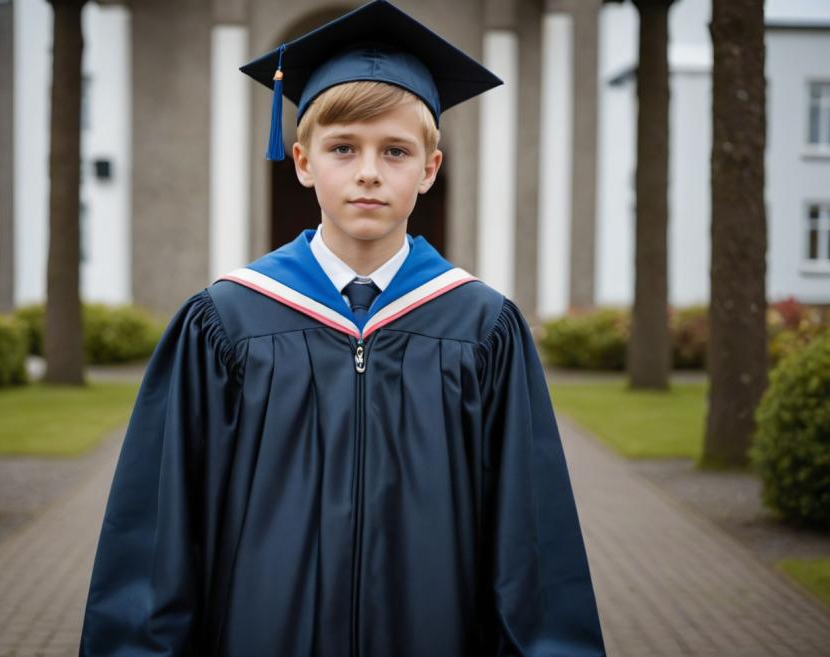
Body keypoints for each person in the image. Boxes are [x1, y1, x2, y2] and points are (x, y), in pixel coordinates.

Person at [78, 1, 607, 656]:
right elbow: (158, 540)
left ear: (429, 169)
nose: (367, 171)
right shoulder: (226, 322)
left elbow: (533, 545)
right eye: (342, 148)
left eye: (395, 151)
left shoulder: (483, 328)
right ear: (302, 162)